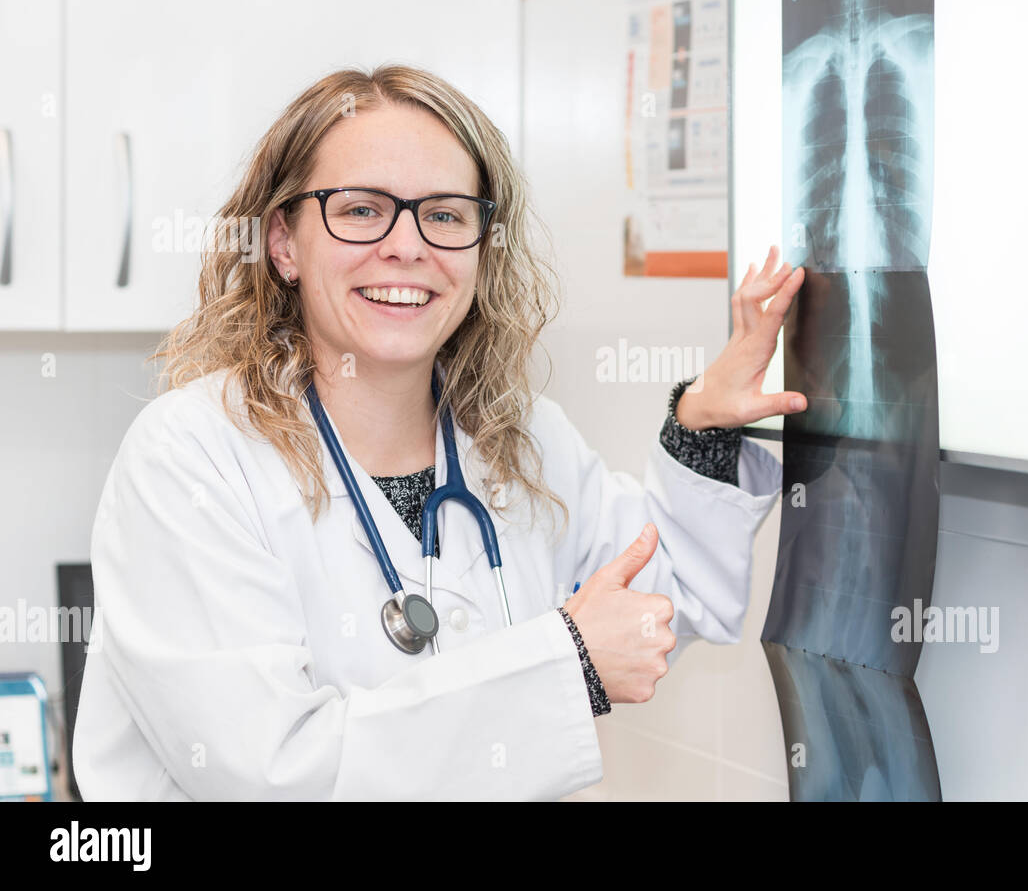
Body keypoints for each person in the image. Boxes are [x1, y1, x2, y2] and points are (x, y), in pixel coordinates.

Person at [72, 64, 806, 800]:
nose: (407, 246)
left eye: (446, 215)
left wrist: (703, 423)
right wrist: (567, 663)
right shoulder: (191, 458)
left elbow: (658, 604)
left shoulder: (517, 442)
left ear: (482, 248)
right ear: (283, 242)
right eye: (360, 210)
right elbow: (273, 772)